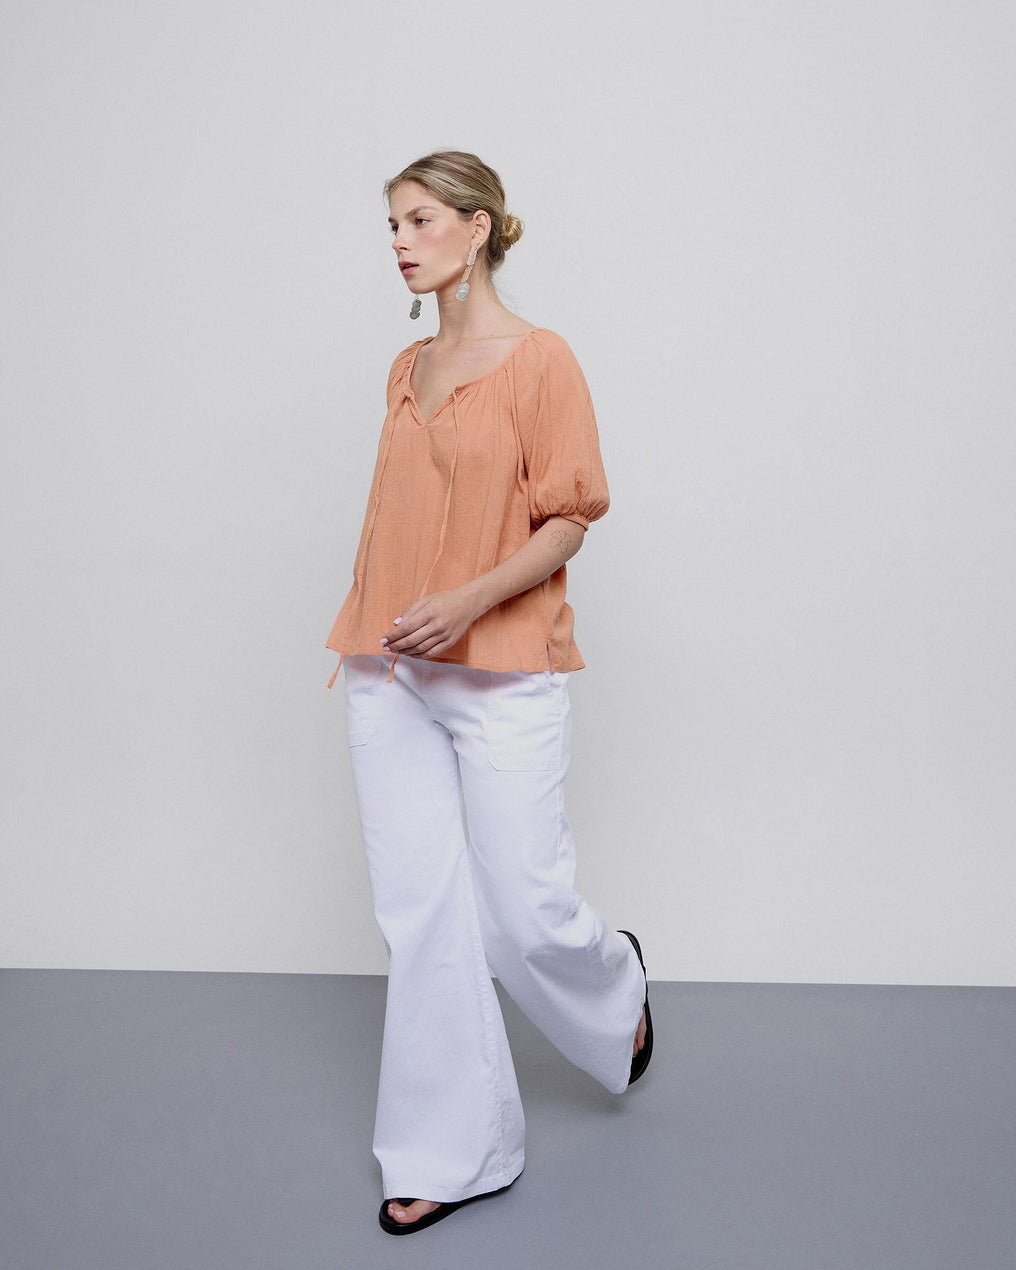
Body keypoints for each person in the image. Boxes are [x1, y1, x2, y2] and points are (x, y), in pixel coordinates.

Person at [324, 150, 653, 1235]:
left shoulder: (541, 360)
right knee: (420, 915)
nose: (400, 241)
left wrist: (465, 600)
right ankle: (449, 1151)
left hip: (501, 666)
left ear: (478, 228)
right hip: (386, 667)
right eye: (392, 225)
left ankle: (614, 987)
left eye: (420, 220)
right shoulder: (404, 366)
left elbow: (569, 517)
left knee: (524, 910)